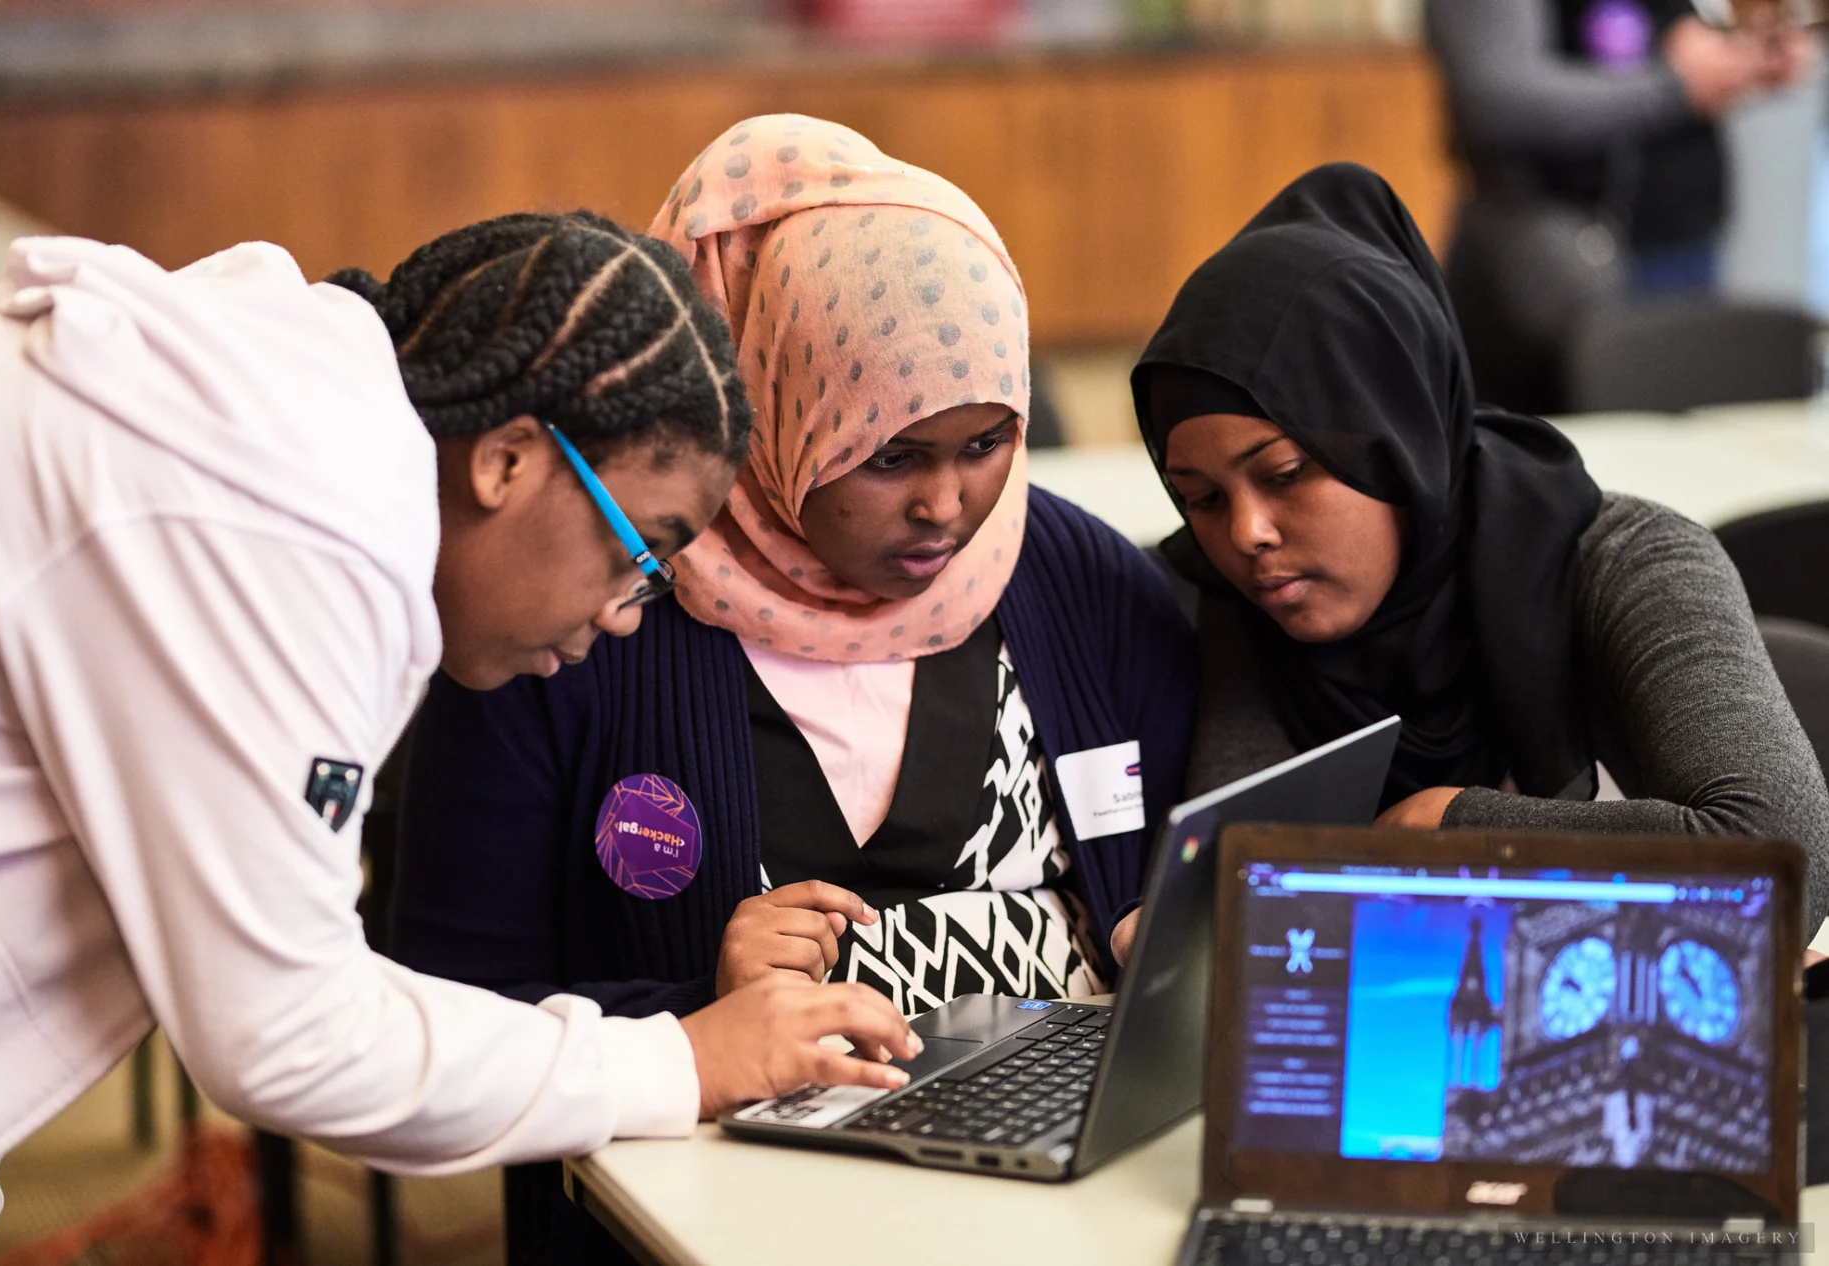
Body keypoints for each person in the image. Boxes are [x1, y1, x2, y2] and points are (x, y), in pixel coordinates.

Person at [0, 212, 923, 1259]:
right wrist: (684, 1064)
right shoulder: (293, 527)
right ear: (507, 460)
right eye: (640, 550)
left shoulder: (286, 414)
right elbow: (287, 1036)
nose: (628, 612)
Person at [391, 121, 1198, 1235]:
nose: (947, 507)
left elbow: (1193, 883)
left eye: (984, 443)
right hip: (714, 1218)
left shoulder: (1074, 582)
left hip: (1068, 1201)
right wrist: (693, 1010)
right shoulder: (566, 615)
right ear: (773, 408)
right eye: (889, 456)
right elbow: (434, 1013)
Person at [1108, 162, 1829, 967]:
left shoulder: (1625, 562)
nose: (1246, 534)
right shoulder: (1217, 606)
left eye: (1284, 475)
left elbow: (1778, 861)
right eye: (1201, 499)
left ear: (1398, 439)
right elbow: (1250, 890)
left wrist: (1452, 826)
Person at [1427, 0, 1816, 413]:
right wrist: (1675, 86)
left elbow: (1661, 35)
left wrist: (1744, 53)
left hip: (1681, 235)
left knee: (1689, 448)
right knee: (1560, 448)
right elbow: (1496, 98)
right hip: (1555, 257)